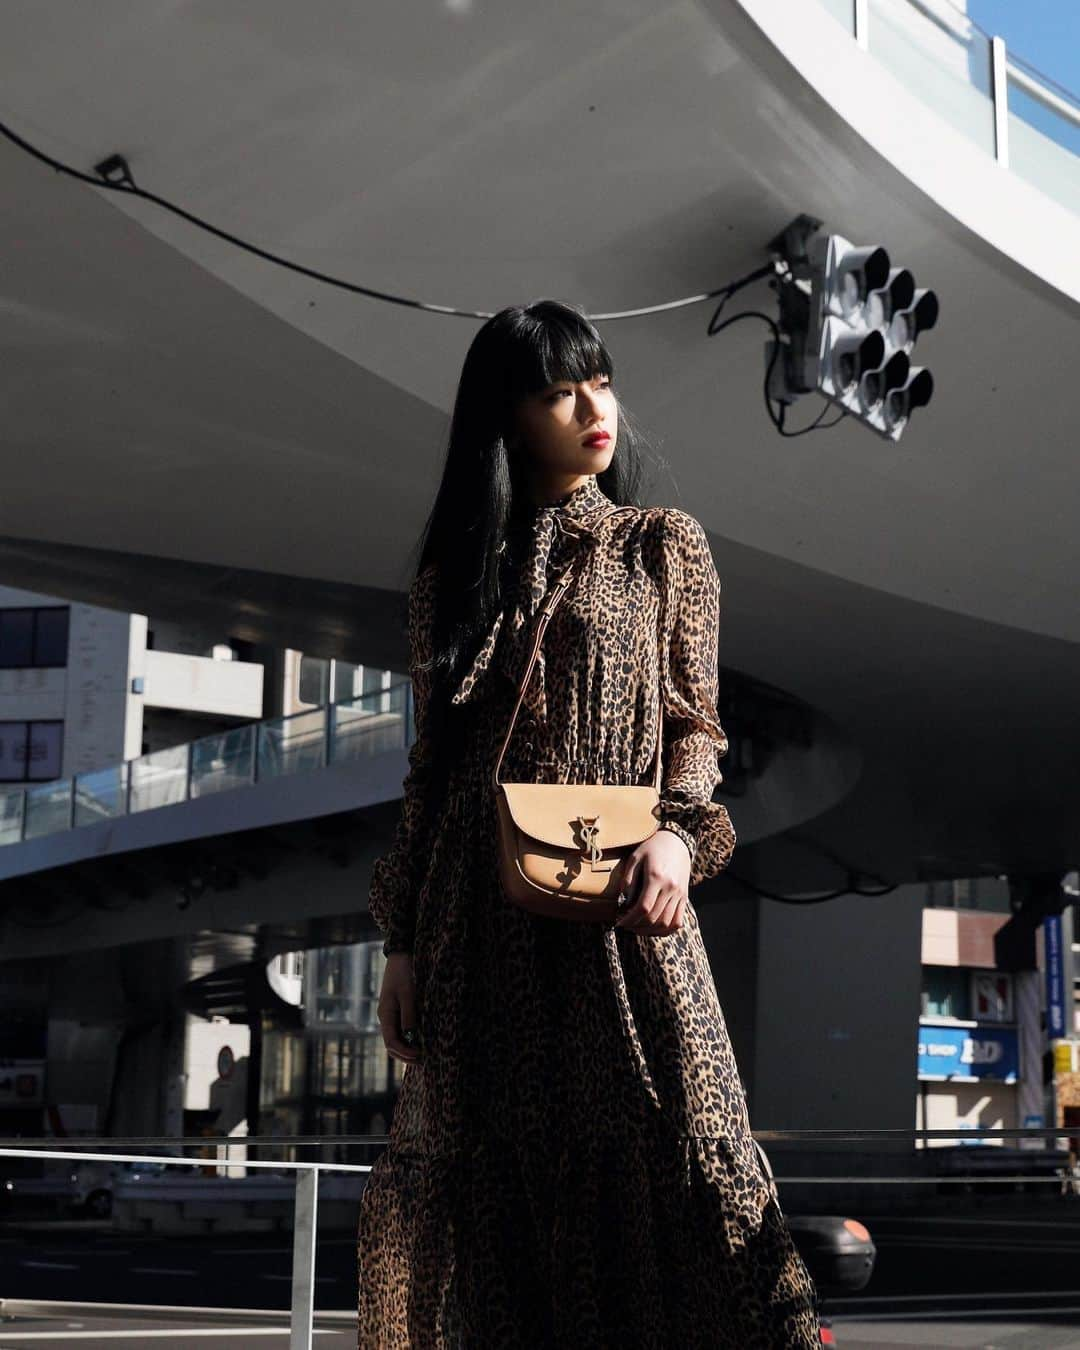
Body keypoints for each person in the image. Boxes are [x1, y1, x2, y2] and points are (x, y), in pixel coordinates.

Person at [356, 299, 823, 1347]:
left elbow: (696, 728)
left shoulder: (662, 548)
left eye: (599, 381)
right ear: (508, 417)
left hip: (621, 913)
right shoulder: (453, 582)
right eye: (559, 390)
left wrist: (678, 832)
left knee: (682, 1170)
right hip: (477, 936)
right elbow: (430, 777)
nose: (591, 407)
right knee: (503, 1222)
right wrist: (399, 940)